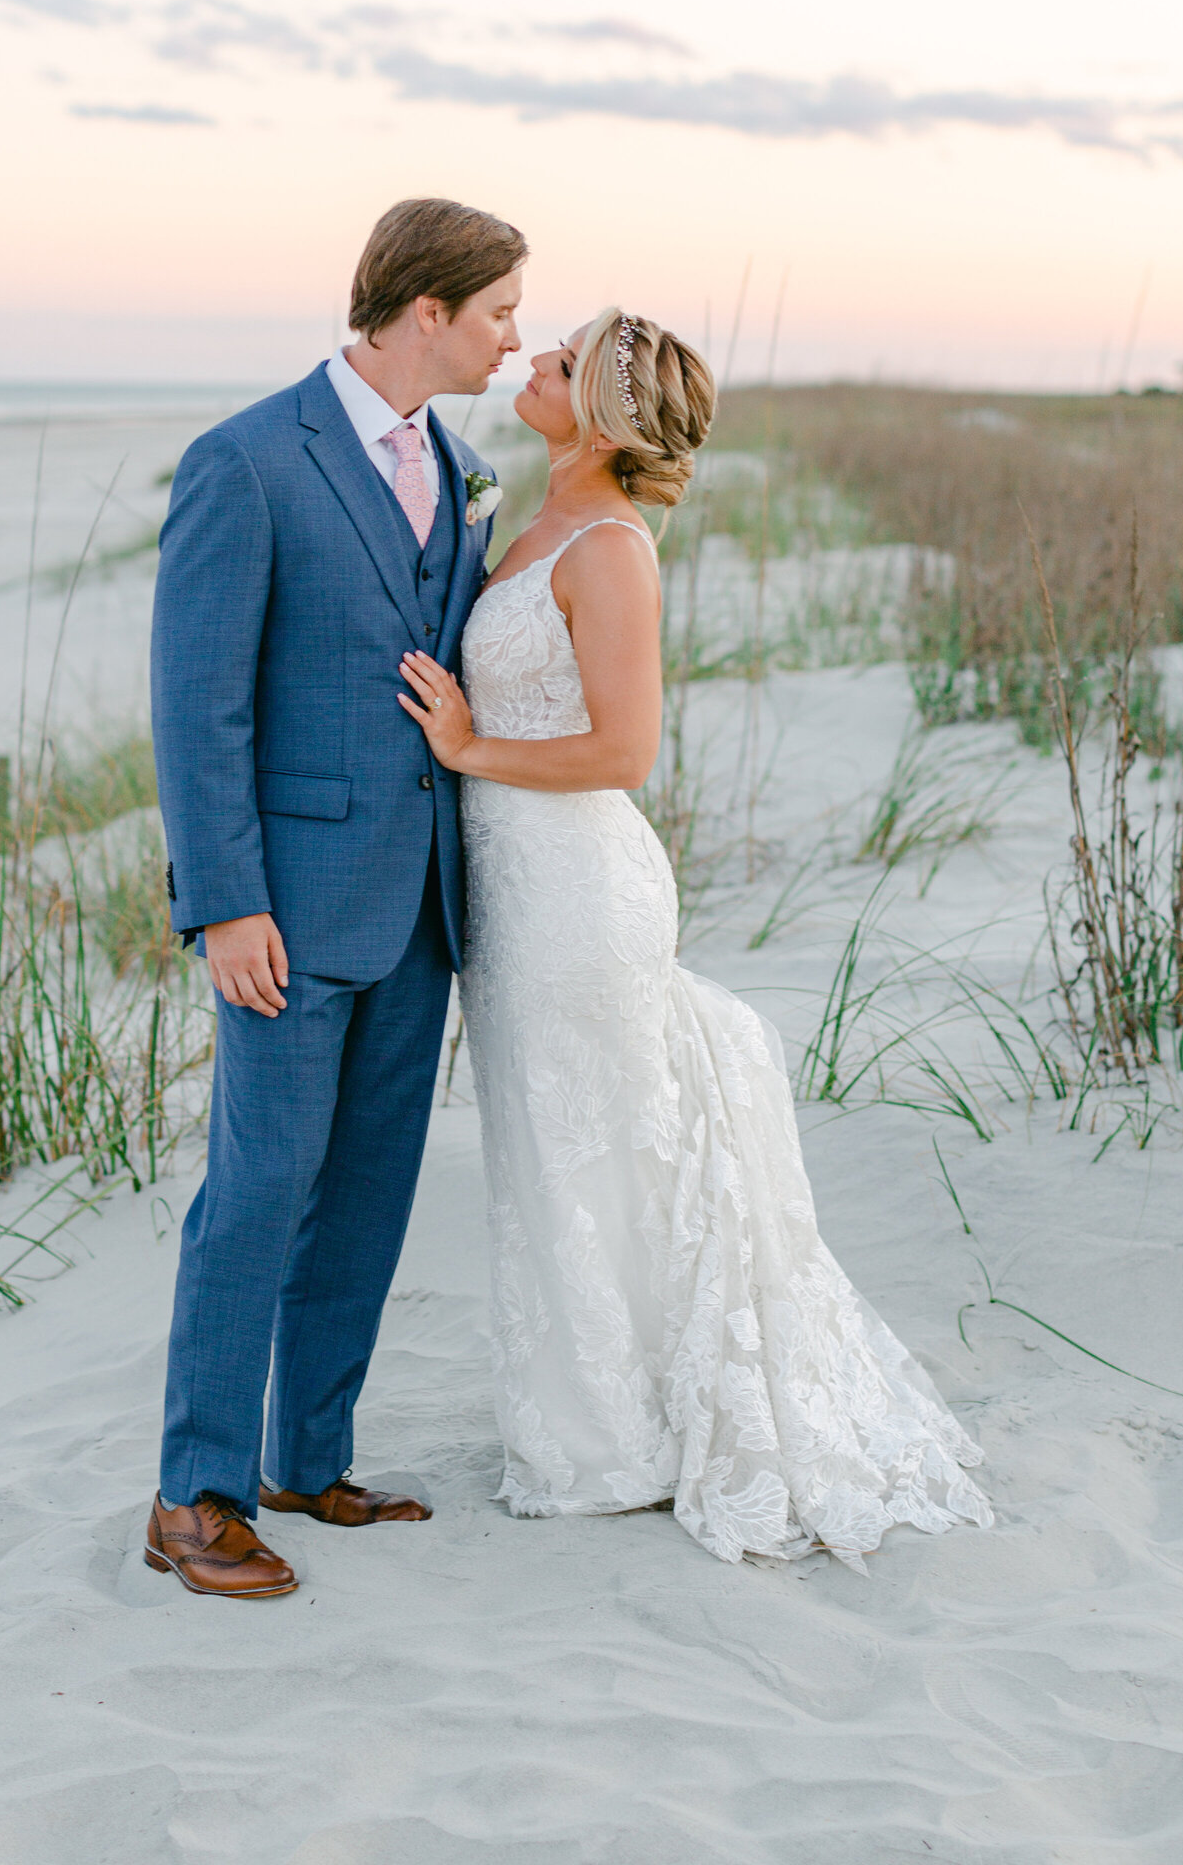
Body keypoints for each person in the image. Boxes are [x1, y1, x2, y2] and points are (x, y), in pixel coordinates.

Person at [398, 309, 993, 1565]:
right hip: (512, 886)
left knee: (598, 1138)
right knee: (551, 1141)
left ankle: (629, 1438)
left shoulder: (612, 546)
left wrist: (464, 749)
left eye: (560, 363)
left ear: (606, 414)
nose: (535, 367)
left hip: (576, 884)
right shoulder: (523, 520)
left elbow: (624, 751)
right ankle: (598, 1419)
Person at [142, 197, 523, 1598]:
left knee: (367, 1195)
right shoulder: (247, 462)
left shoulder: (467, 468)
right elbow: (198, 706)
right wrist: (225, 901)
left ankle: (309, 1458)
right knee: (256, 1193)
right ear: (429, 310)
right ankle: (195, 1494)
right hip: (285, 916)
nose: (512, 338)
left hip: (419, 907)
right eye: (499, 314)